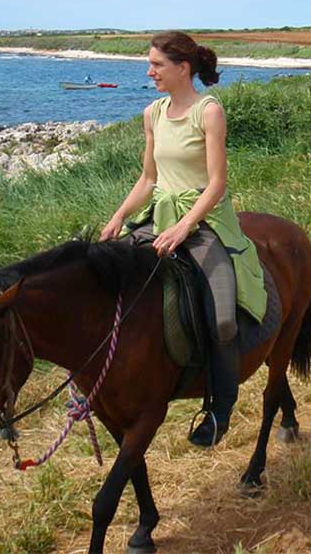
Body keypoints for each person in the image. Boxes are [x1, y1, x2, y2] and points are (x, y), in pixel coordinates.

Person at [100, 31, 267, 448]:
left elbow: (216, 185)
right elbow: (149, 178)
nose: (149, 70)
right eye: (150, 63)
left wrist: (184, 227)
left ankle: (219, 409)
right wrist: (119, 215)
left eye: (156, 64)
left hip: (205, 220)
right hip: (158, 216)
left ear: (182, 68)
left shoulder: (208, 112)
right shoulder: (152, 113)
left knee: (223, 315)